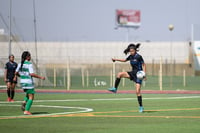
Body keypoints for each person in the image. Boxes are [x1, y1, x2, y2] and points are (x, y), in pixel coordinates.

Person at [108, 43, 146, 113]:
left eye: (132, 51)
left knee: (137, 91)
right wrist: (115, 59)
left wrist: (144, 74)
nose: (131, 52)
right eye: (130, 51)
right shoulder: (131, 56)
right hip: (132, 73)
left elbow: (144, 65)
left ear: (135, 50)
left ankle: (141, 107)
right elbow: (125, 60)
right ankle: (115, 89)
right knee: (119, 74)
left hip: (138, 75)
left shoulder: (139, 57)